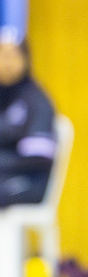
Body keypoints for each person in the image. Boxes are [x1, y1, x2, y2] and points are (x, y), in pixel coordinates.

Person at [0, 30, 57, 206]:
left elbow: (38, 157)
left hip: (29, 180)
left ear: (25, 59)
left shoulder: (36, 101)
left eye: (12, 55)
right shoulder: (4, 96)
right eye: (1, 55)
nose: (6, 62)